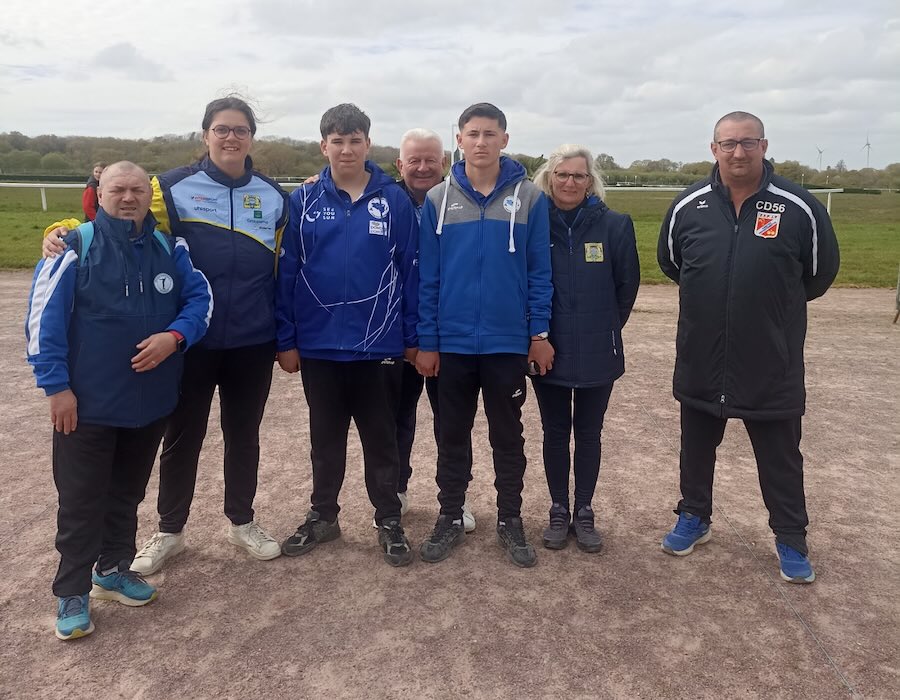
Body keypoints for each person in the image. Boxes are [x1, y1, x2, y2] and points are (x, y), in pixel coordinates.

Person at [42, 96, 289, 573]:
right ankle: (170, 530)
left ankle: (242, 521)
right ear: (206, 135)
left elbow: (286, 261)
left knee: (244, 434)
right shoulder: (171, 186)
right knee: (182, 436)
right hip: (188, 340)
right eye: (221, 129)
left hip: (253, 338)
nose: (231, 137)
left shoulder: (274, 195)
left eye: (240, 129)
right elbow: (119, 220)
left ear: (251, 137)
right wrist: (62, 229)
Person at [27, 161, 212, 640]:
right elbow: (43, 322)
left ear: (148, 196)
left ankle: (112, 570)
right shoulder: (73, 246)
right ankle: (72, 591)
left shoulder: (170, 248)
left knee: (127, 494)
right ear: (100, 192)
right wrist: (56, 388)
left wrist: (175, 336)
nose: (128, 198)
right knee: (81, 500)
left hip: (149, 404)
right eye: (118, 190)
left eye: (137, 190)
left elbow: (201, 301)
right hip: (86, 404)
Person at [657, 111, 840, 583]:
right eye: (728, 143)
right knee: (696, 448)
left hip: (770, 359)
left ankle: (790, 537)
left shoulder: (798, 206)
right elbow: (672, 264)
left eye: (748, 142)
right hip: (702, 354)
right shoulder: (688, 205)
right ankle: (694, 515)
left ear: (764, 145)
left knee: (781, 456)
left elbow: (819, 274)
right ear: (713, 148)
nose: (738, 152)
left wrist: (769, 310)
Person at [275, 103, 419, 567]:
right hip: (318, 345)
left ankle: (388, 519)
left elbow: (411, 272)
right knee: (325, 439)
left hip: (378, 344)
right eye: (337, 141)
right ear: (324, 146)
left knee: (381, 440)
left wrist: (412, 337)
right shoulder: (303, 200)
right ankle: (323, 515)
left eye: (355, 140)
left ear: (368, 144)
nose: (346, 149)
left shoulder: (394, 200)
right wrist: (286, 339)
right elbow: (287, 272)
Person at [416, 103, 553, 568]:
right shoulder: (438, 199)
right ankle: (450, 515)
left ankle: (510, 519)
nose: (481, 142)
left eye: (490, 134)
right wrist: (428, 341)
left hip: (505, 342)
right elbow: (429, 279)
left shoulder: (530, 198)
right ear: (459, 139)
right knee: (451, 434)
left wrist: (538, 332)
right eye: (472, 133)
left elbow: (539, 273)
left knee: (507, 436)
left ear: (504, 140)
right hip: (452, 344)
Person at [530, 145, 640, 552]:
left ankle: (585, 509)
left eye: (578, 175)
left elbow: (626, 288)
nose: (569, 182)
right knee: (556, 432)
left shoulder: (615, 225)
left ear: (590, 181)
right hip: (548, 349)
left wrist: (603, 329)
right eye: (562, 174)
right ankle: (559, 509)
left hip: (598, 350)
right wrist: (538, 337)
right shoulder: (534, 224)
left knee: (590, 433)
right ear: (550, 178)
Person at [393, 129, 476, 531]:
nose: (423, 168)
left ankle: (456, 498)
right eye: (415, 160)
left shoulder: (462, 199)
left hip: (449, 332)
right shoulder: (384, 200)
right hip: (396, 334)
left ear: (444, 162)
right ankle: (394, 490)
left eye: (431, 160)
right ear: (400, 165)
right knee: (396, 417)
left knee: (453, 422)